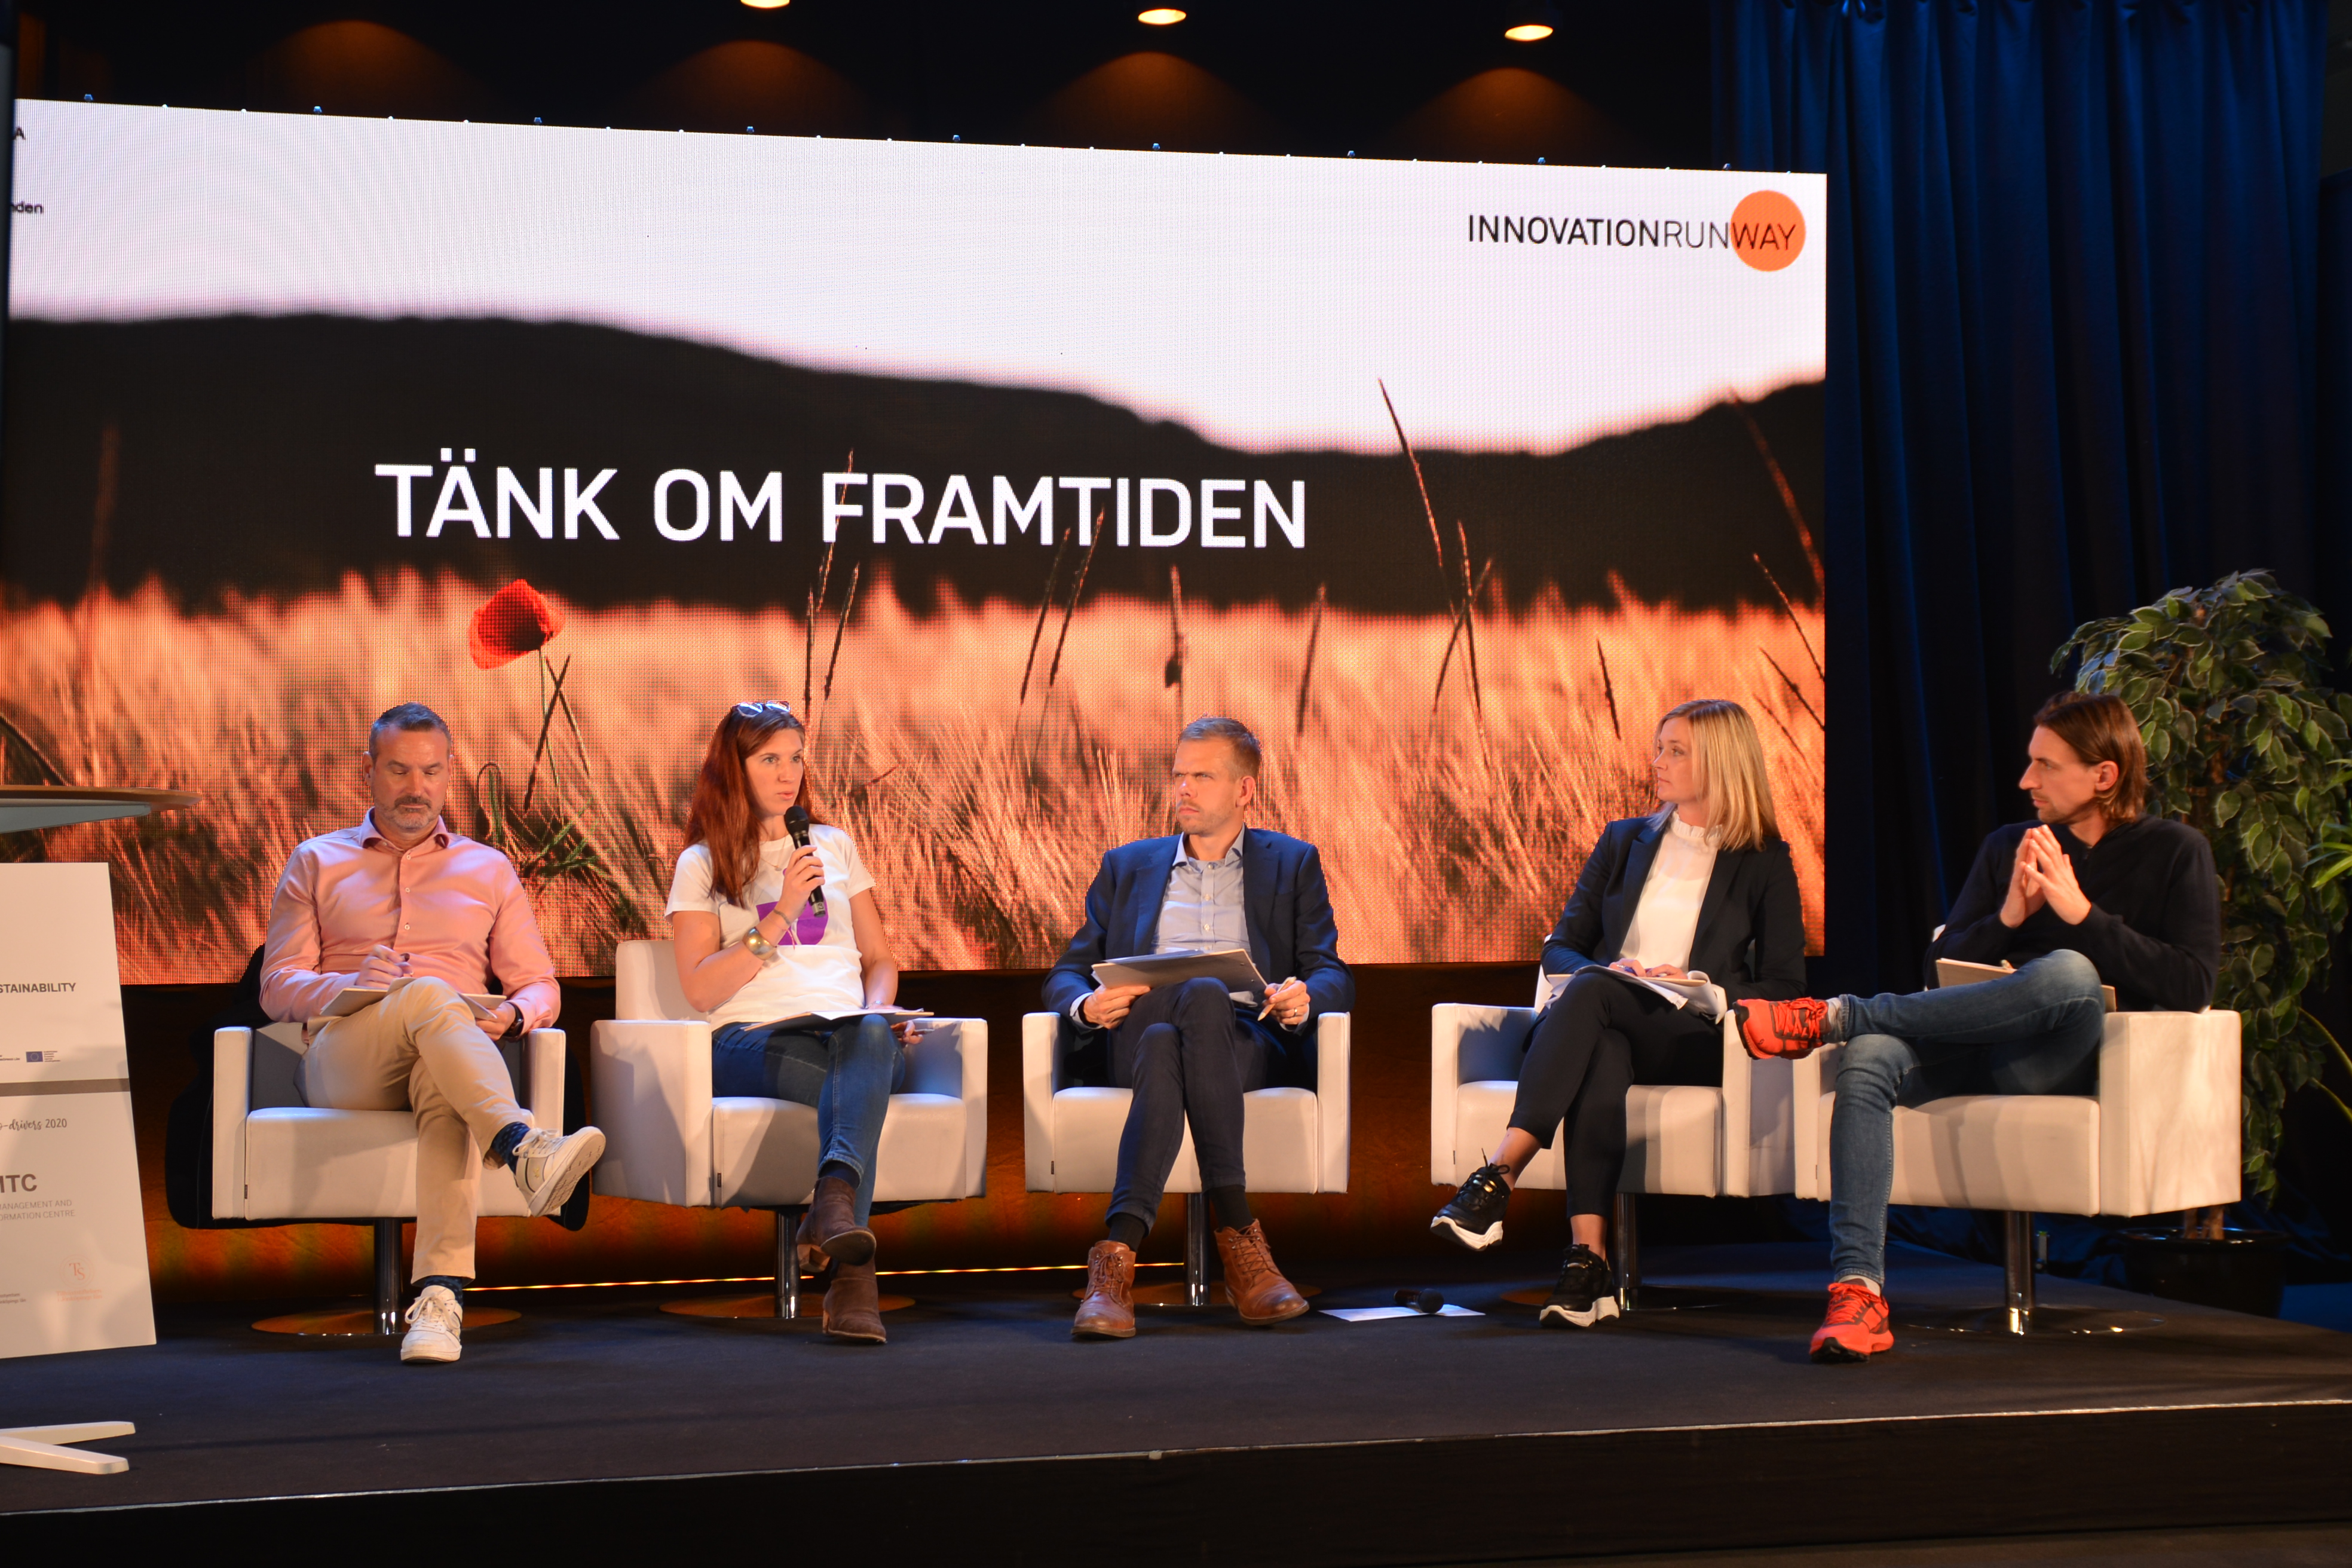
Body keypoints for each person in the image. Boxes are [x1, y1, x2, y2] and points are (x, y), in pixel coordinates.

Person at [1735, 691, 2220, 1364]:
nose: (2026, 781)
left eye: (2046, 766)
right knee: (1870, 1055)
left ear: (2104, 775)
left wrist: (2082, 915)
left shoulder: (2175, 850)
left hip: (2062, 1059)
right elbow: (1937, 968)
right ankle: (1858, 1290)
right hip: (1972, 1043)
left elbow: (2194, 984)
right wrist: (2008, 919)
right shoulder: (2008, 848)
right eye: (2030, 762)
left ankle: (1838, 1014)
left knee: (2070, 969)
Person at [1430, 698, 1805, 1327]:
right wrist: (1616, 971)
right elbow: (1561, 948)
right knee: (1601, 1029)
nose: (1657, 762)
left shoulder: (1763, 859)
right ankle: (1588, 1264)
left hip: (1689, 1032)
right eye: (1659, 747)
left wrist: (1698, 984)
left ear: (1722, 762)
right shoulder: (1625, 839)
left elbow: (1787, 984)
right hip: (1602, 1023)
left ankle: (1497, 1178)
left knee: (1594, 992)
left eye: (1675, 751)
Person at [261, 702, 606, 1366]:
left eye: (430, 771)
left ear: (450, 772)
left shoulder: (489, 868)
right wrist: (349, 983)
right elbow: (276, 986)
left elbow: (540, 985)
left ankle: (440, 1300)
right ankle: (521, 1144)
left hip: (448, 1056)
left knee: (445, 1083)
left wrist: (513, 1015)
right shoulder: (316, 860)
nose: (415, 787)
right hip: (345, 1059)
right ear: (368, 771)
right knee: (426, 991)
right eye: (398, 770)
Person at [1047, 716, 1353, 1339]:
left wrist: (1305, 996)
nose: (1183, 788)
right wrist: (1086, 1006)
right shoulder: (1128, 865)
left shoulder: (1293, 862)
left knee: (1197, 1012)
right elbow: (1067, 973)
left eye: (1202, 776)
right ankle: (1241, 1239)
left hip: (1244, 1038)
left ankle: (1114, 1261)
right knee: (1182, 1009)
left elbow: (1330, 970)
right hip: (1138, 1028)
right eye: (1179, 774)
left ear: (1245, 789)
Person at [666, 700, 915, 1346]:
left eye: (797, 758)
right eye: (770, 759)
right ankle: (851, 1277)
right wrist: (779, 916)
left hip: (846, 1031)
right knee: (859, 1085)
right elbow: (700, 988)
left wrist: (880, 1009)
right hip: (749, 1038)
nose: (788, 774)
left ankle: (832, 1202)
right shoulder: (702, 863)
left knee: (868, 1038)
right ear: (735, 768)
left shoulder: (834, 845)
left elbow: (879, 960)